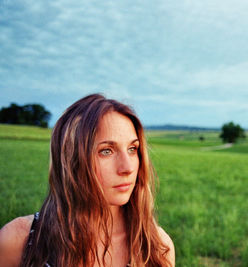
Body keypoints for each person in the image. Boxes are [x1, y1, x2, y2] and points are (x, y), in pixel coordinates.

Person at [0, 94, 175, 267]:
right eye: (106, 151)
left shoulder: (157, 248)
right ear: (71, 159)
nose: (128, 168)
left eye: (132, 148)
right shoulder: (19, 240)